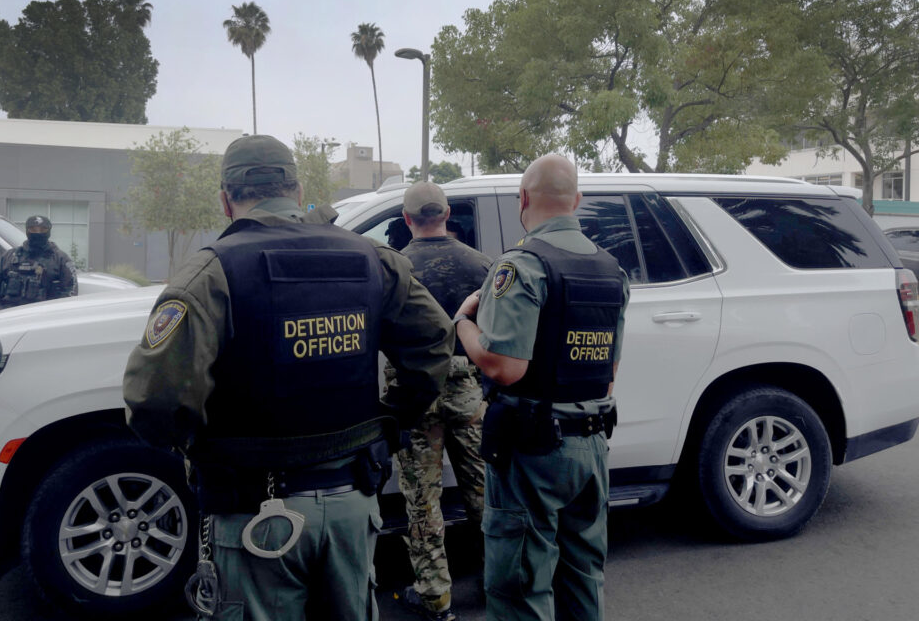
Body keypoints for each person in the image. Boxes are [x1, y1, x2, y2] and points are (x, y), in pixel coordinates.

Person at [122, 135, 453, 621]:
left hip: (254, 514)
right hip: (351, 503)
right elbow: (435, 340)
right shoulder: (373, 258)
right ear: (298, 192)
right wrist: (395, 417)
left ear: (225, 200)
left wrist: (197, 447)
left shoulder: (211, 273)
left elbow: (155, 399)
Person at [453, 154, 629, 621]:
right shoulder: (611, 270)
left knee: (520, 588)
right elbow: (608, 370)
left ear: (523, 198)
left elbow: (503, 366)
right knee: (582, 579)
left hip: (533, 453)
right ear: (577, 200)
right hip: (591, 446)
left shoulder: (522, 265)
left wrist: (463, 322)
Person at [393, 182, 490, 621]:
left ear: (406, 218)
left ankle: (435, 597)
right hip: (468, 386)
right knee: (482, 488)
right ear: (448, 214)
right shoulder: (481, 264)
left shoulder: (395, 267)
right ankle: (496, 578)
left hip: (415, 389)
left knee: (422, 497)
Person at [0, 214, 77, 310]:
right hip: (12, 313)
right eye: (33, 229)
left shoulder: (60, 259)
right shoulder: (10, 256)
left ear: (49, 231)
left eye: (43, 230)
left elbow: (71, 289)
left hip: (45, 314)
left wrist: (57, 311)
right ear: (27, 231)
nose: (38, 233)